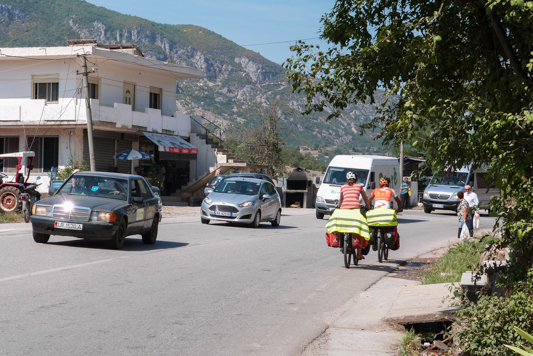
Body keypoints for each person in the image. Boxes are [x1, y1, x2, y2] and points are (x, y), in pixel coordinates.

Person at [337, 171, 371, 260]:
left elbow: (340, 200)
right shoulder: (359, 186)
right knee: (359, 229)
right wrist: (369, 208)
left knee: (343, 226)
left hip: (344, 209)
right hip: (356, 209)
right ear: (356, 178)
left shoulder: (343, 187)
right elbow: (365, 199)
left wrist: (338, 207)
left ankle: (343, 240)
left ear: (347, 179)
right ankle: (359, 254)